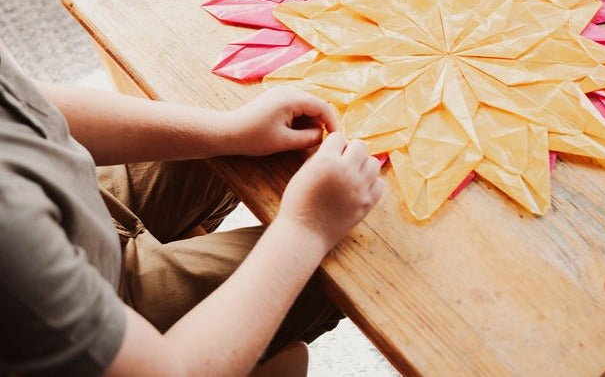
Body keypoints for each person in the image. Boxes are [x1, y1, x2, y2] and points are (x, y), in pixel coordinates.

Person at [0, 43, 384, 376]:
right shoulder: (13, 245)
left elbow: (32, 104)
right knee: (350, 268)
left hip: (74, 206)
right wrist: (306, 229)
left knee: (242, 158)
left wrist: (230, 131)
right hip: (99, 317)